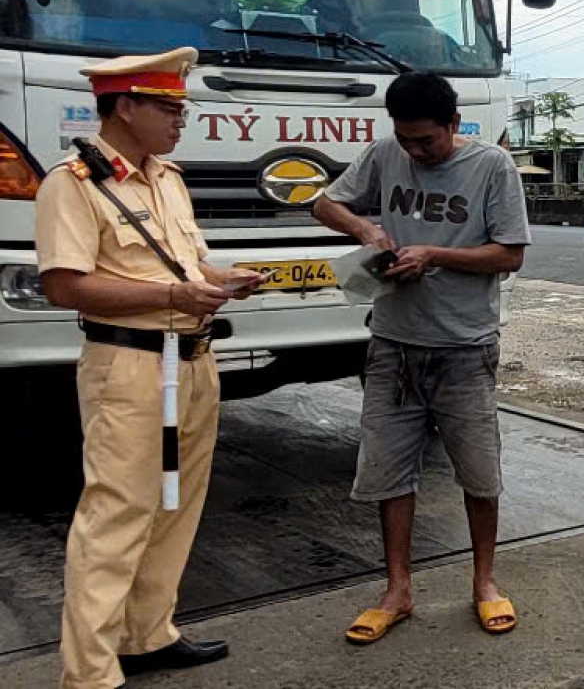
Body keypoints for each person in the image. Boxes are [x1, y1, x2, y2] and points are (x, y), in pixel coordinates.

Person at [35, 47, 263, 689]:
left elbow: (184, 264)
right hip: (129, 366)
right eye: (168, 108)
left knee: (176, 505)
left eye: (181, 109)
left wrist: (222, 279)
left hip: (192, 361)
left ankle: (146, 635)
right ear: (125, 107)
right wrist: (172, 295)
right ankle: (90, 672)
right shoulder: (73, 184)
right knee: (116, 513)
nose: (180, 119)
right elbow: (64, 285)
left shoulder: (168, 178)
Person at [312, 71, 529, 645]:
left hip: (464, 347)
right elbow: (324, 203)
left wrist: (434, 254)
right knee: (387, 471)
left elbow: (509, 255)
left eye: (427, 141)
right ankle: (398, 590)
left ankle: (484, 582)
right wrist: (366, 230)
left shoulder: (492, 166)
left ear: (454, 124)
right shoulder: (386, 153)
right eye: (406, 139)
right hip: (393, 344)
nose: (415, 152)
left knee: (479, 473)